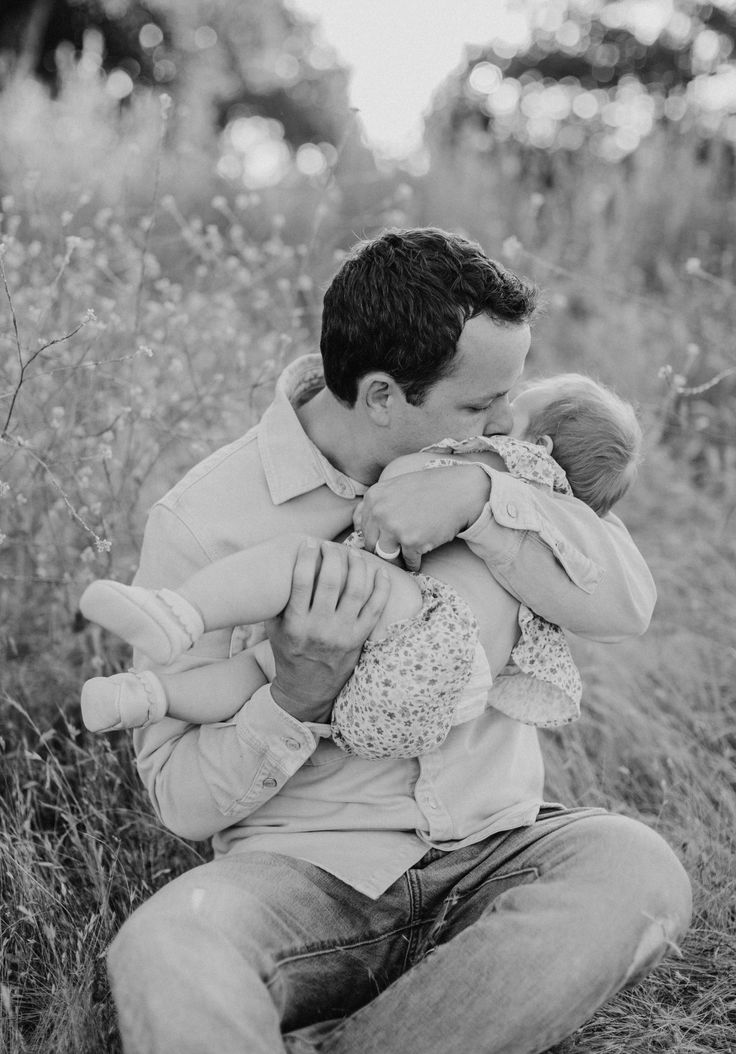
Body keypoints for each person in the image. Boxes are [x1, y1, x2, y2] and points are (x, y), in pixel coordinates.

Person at [102, 227, 691, 1054]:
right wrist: (295, 697)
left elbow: (628, 601)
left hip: (493, 849)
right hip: (306, 875)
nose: (509, 419)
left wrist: (481, 496)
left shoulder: (501, 463)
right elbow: (180, 799)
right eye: (481, 404)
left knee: (635, 868)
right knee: (166, 948)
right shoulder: (204, 522)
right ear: (383, 395)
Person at [78, 373, 642, 758]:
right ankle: (145, 696)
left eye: (510, 410)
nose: (496, 420)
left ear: (538, 443)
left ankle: (180, 616)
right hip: (420, 703)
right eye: (486, 404)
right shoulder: (563, 520)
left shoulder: (512, 464)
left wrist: (461, 486)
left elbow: (401, 486)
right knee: (265, 669)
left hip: (427, 634)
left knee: (298, 569)